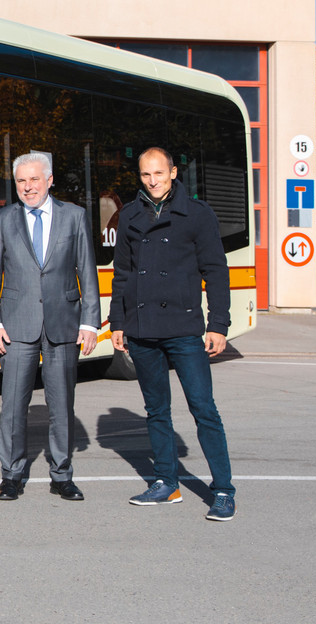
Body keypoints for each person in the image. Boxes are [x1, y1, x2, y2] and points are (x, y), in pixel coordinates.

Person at [110, 147, 236, 521]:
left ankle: (224, 490)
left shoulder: (197, 214)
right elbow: (123, 275)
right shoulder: (130, 214)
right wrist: (118, 322)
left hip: (184, 328)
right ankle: (167, 482)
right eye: (146, 175)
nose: (152, 181)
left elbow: (216, 271)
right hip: (143, 328)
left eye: (159, 174)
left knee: (204, 409)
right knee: (156, 410)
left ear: (174, 173)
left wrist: (218, 325)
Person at [0, 152, 100, 501]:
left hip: (63, 323)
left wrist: (90, 322)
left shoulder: (74, 217)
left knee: (62, 404)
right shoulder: (4, 219)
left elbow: (87, 272)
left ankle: (62, 475)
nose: (28, 187)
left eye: (34, 179)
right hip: (16, 326)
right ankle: (12, 474)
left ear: (49, 181)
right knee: (14, 406)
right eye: (21, 181)